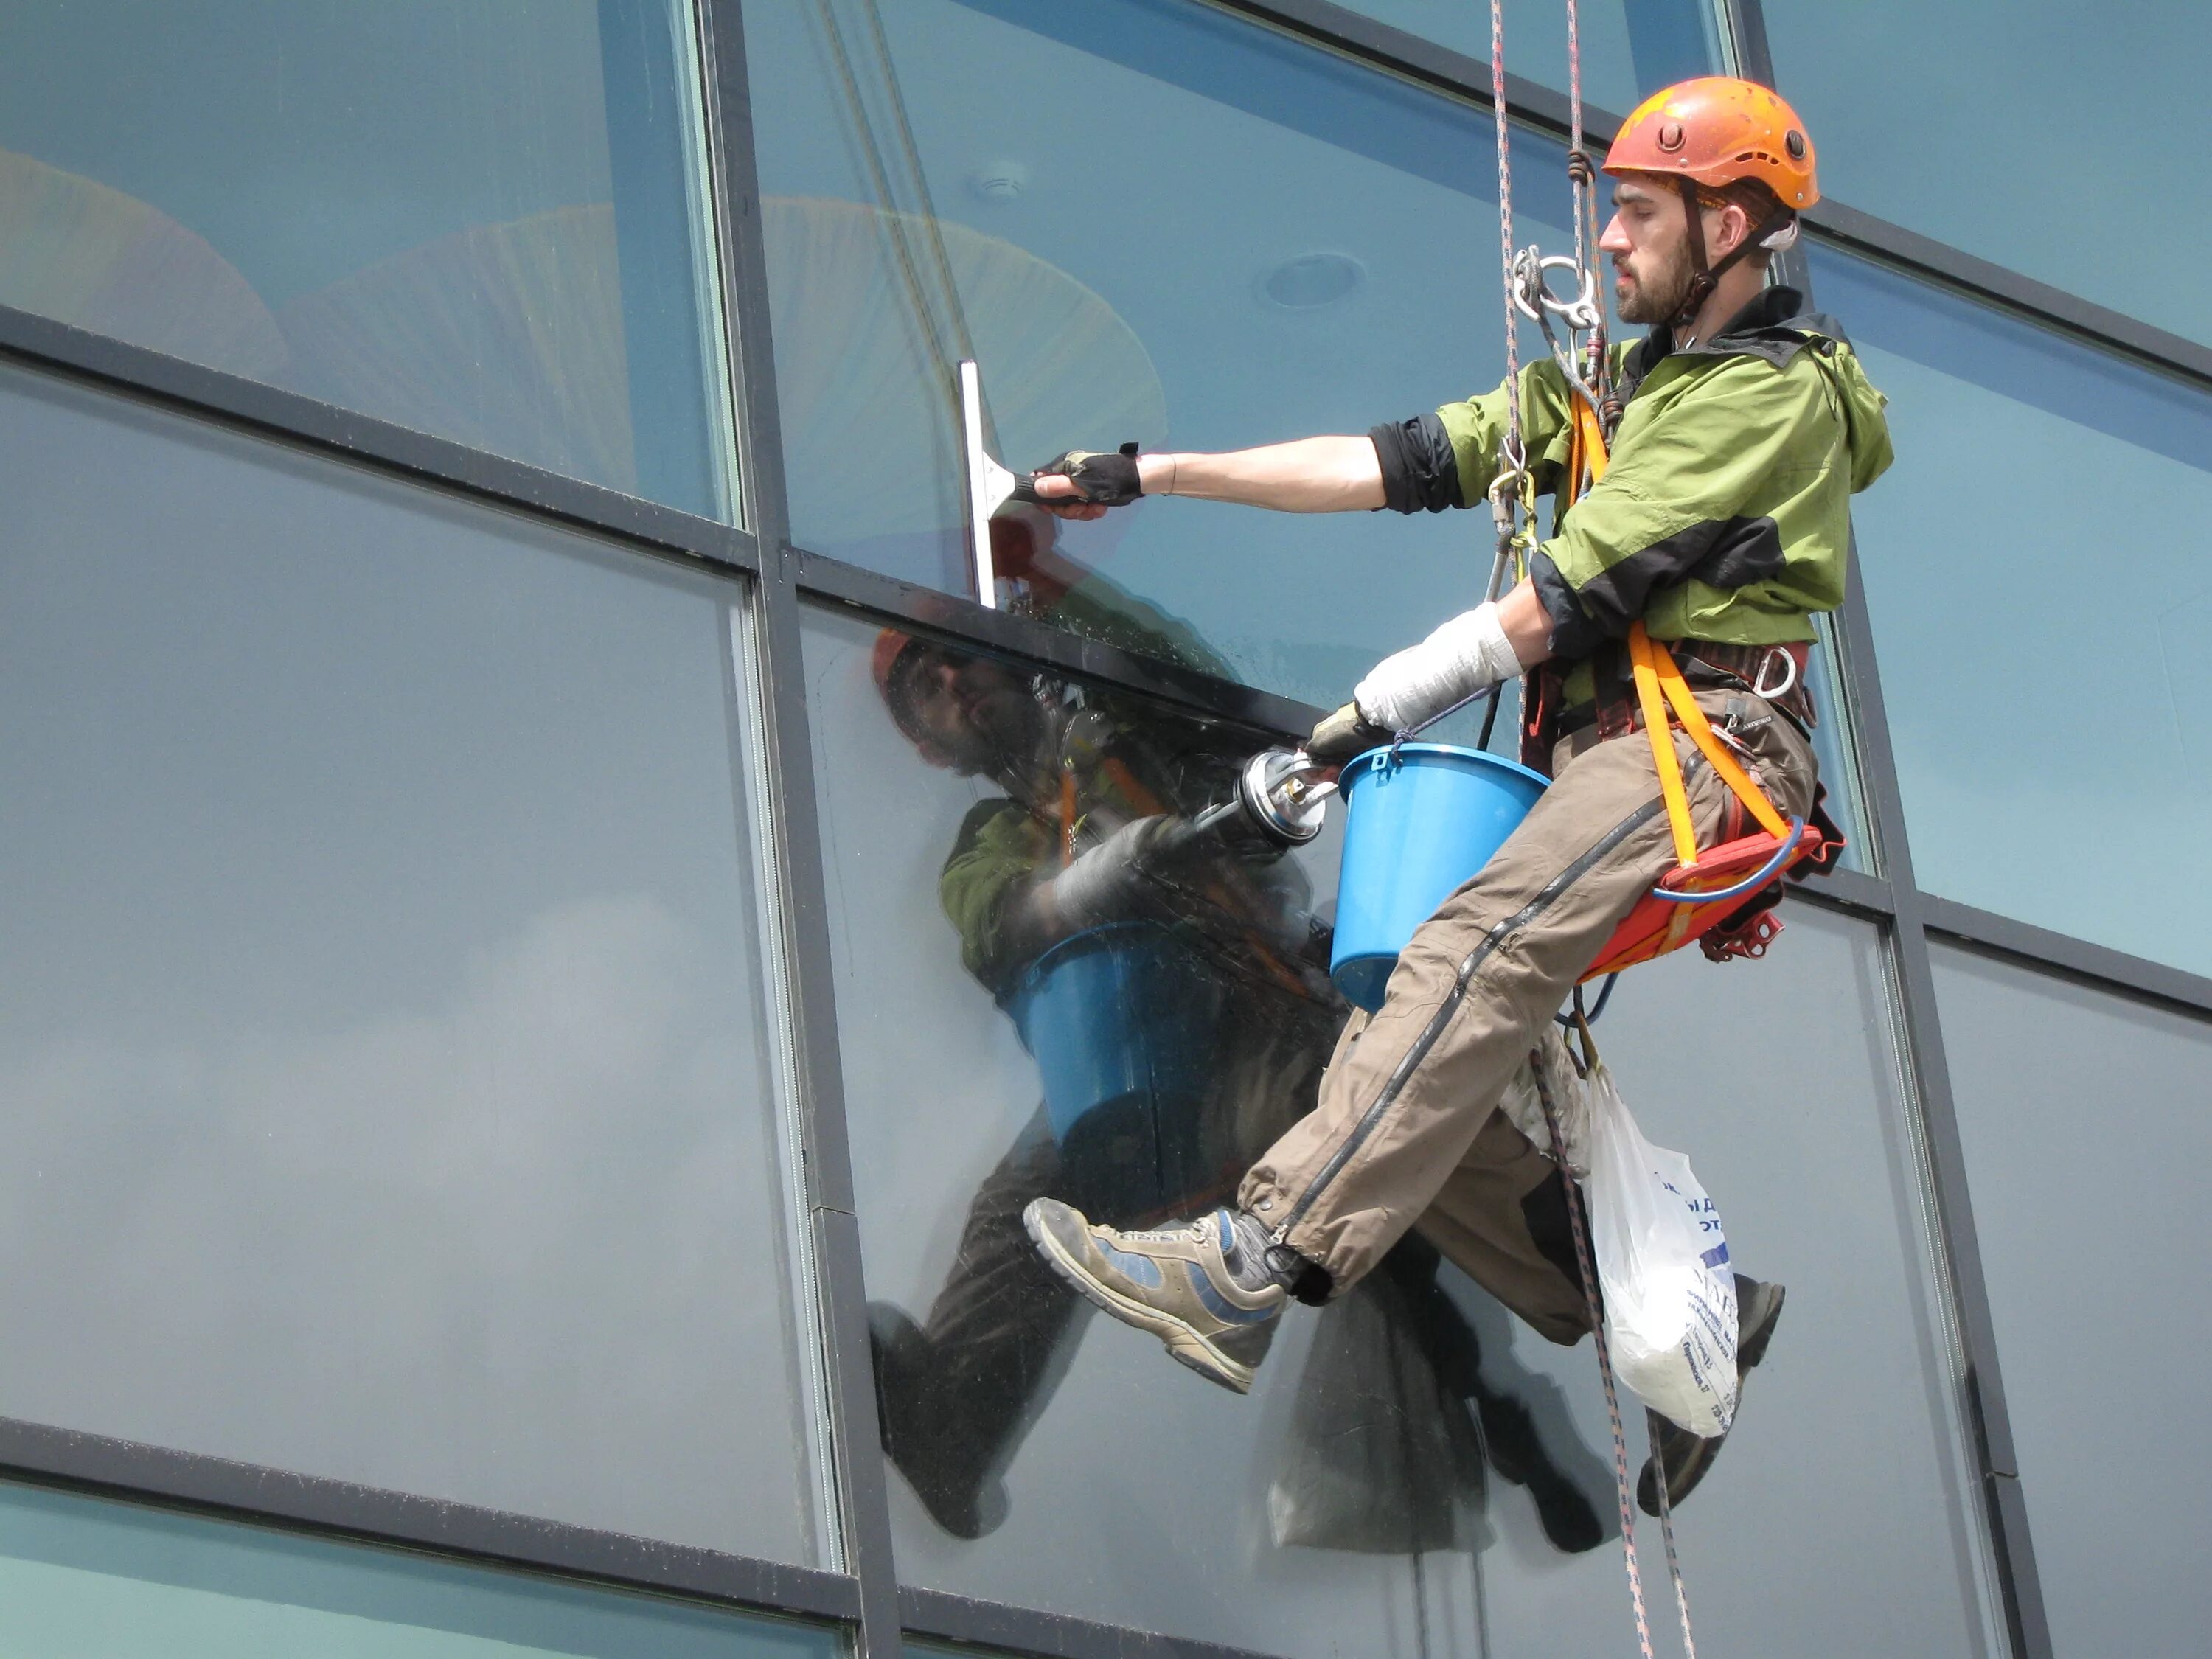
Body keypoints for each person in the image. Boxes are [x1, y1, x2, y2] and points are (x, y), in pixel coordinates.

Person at [1018, 77, 1893, 1514]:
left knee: (1472, 952)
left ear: (1730, 226)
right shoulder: (1615, 390)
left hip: (1712, 748)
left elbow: (1566, 598)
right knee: (1404, 1029)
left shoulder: (1766, 401)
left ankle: (1253, 1265)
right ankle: (1684, 1314)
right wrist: (1156, 471)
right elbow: (1392, 462)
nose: (1607, 240)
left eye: (1639, 212)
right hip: (1616, 764)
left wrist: (1378, 707)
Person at [864, 536, 1607, 1555]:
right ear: (927, 745)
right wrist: (1114, 868)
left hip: (1259, 1017)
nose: (952, 684)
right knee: (1015, 1213)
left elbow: (1178, 670)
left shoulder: (1123, 733)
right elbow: (1000, 920)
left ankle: (1555, 1326)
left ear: (1009, 656)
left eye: (961, 656)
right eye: (924, 689)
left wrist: (1047, 575)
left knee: (1367, 1150)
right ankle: (952, 1429)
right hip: (1140, 1067)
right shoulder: (996, 839)